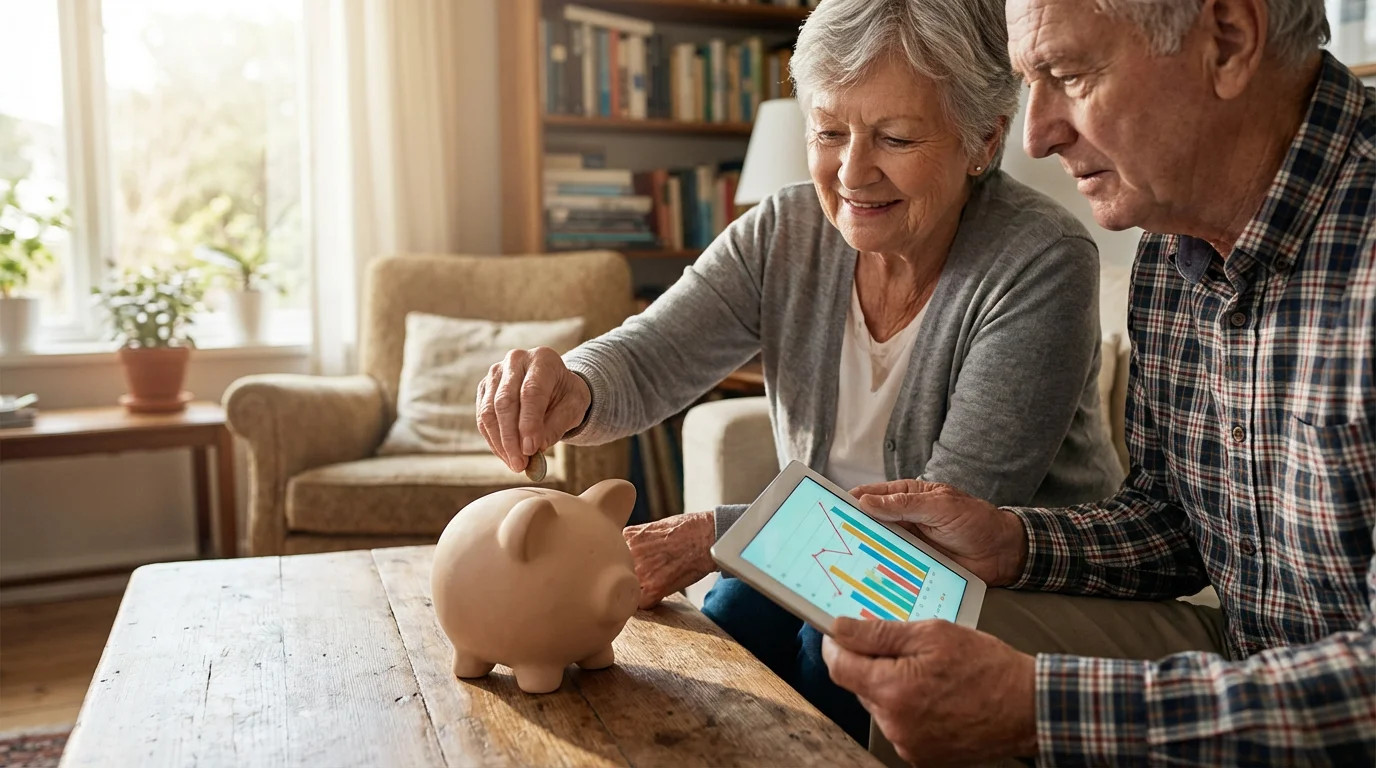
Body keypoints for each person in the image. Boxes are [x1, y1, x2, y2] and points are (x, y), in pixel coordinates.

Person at [476, 0, 1124, 743]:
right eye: (828, 131)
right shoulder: (782, 232)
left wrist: (711, 533)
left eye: (895, 137)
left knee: (835, 641)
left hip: (986, 574)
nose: (853, 172)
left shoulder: (1040, 262)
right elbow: (649, 355)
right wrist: (571, 386)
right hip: (814, 556)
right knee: (727, 620)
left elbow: (943, 522)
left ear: (983, 140)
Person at [820, 0, 1376, 764]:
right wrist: (1011, 540)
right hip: (1243, 650)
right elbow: (1174, 524)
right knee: (915, 644)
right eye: (1028, 83)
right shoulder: (1170, 246)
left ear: (1229, 41)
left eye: (1070, 75)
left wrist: (1038, 710)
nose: (1034, 136)